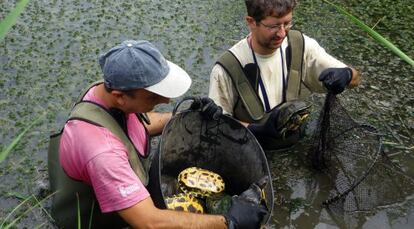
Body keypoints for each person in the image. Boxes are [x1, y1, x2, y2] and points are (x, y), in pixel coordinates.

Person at [48, 40, 267, 228]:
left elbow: (140, 125)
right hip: (94, 222)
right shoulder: (102, 153)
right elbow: (148, 222)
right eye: (154, 97)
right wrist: (228, 222)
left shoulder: (104, 92)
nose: (165, 101)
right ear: (120, 96)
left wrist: (192, 114)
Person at [208, 0, 361, 150]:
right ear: (251, 22)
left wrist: (346, 74)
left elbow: (355, 80)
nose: (282, 33)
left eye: (287, 23)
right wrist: (255, 130)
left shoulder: (302, 46)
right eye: (274, 26)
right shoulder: (226, 68)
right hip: (249, 149)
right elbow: (215, 125)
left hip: (297, 143)